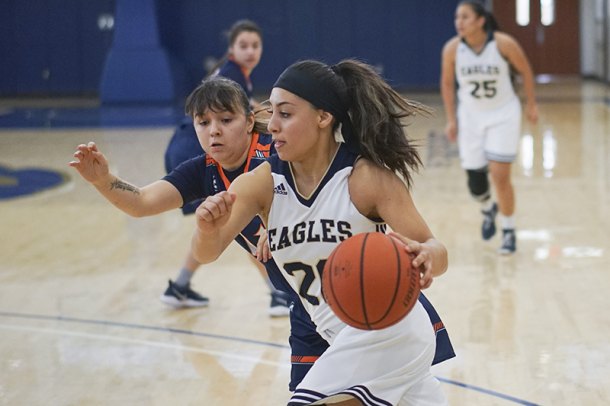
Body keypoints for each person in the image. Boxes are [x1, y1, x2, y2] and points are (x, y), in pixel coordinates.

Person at [191, 59, 450, 405]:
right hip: (341, 335)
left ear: (323, 117)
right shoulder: (263, 183)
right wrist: (207, 228)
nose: (273, 125)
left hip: (389, 330)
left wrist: (428, 255)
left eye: (286, 114)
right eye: (271, 113)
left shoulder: (363, 178)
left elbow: (436, 249)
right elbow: (207, 252)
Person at [69, 76, 329, 391]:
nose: (213, 130)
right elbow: (141, 203)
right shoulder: (203, 170)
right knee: (314, 394)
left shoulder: (278, 152)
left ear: (249, 122)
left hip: (338, 282)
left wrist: (284, 225)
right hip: (303, 303)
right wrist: (103, 179)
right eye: (203, 122)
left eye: (225, 119)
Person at [163, 19, 290, 315]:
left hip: (187, 145)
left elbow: (251, 110)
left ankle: (179, 285)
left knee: (220, 225)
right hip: (194, 150)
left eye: (255, 46)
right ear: (231, 49)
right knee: (238, 223)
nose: (249, 51)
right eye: (243, 45)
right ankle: (278, 294)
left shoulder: (235, 75)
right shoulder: (231, 75)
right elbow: (247, 113)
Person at [440, 0, 538, 254]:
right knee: (476, 184)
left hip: (503, 114)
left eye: (465, 17)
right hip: (471, 117)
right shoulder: (452, 49)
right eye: (456, 18)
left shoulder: (503, 44)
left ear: (480, 20)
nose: (458, 23)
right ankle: (488, 209)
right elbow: (448, 84)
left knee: (500, 174)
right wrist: (451, 119)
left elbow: (526, 71)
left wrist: (532, 105)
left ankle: (508, 231)